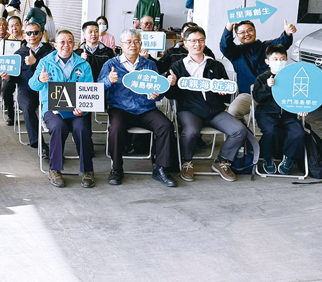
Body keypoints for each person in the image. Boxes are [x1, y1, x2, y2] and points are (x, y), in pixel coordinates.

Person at [165, 26, 249, 182]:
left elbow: (227, 94)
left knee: (239, 130)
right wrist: (171, 85)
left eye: (201, 40)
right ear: (185, 44)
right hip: (189, 110)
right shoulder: (177, 66)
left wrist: (224, 90)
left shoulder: (215, 65)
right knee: (190, 132)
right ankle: (187, 162)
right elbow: (171, 96)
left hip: (214, 111)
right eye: (193, 41)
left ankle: (222, 161)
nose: (197, 44)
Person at [97, 29, 178, 187]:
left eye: (136, 41)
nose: (132, 45)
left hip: (145, 109)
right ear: (121, 45)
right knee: (116, 128)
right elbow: (98, 89)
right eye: (128, 42)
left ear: (141, 44)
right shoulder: (111, 64)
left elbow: (159, 91)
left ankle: (161, 168)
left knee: (166, 126)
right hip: (120, 109)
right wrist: (108, 80)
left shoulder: (149, 64)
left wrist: (157, 95)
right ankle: (117, 168)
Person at [29, 30, 95, 189]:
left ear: (74, 44)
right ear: (55, 45)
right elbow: (32, 85)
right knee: (58, 127)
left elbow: (89, 91)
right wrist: (39, 79)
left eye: (70, 42)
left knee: (81, 128)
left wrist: (84, 109)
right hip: (53, 109)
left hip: (77, 110)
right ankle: (55, 169)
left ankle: (87, 170)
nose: (66, 45)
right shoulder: (45, 62)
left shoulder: (83, 64)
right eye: (62, 42)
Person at [220, 19, 295, 122]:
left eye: (250, 30)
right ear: (236, 36)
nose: (246, 34)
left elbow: (282, 43)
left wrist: (287, 33)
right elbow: (225, 46)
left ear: (255, 31)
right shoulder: (235, 53)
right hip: (248, 95)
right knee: (233, 112)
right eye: (242, 32)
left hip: (272, 95)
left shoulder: (267, 47)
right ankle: (244, 134)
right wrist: (229, 25)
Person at [253, 45, 306, 175]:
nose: (279, 62)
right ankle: (268, 157)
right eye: (275, 59)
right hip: (267, 114)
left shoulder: (292, 78)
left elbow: (300, 96)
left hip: (288, 115)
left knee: (298, 132)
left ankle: (288, 158)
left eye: (282, 59)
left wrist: (302, 108)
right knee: (271, 131)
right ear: (267, 62)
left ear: (287, 60)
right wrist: (268, 86)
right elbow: (257, 97)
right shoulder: (262, 78)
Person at [2, 22, 52, 156]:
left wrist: (34, 63)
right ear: (24, 35)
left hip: (47, 89)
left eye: (35, 32)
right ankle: (39, 144)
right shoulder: (19, 54)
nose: (32, 36)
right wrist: (8, 78)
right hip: (26, 90)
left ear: (41, 34)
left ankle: (58, 143)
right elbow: (16, 78)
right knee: (28, 106)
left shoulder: (50, 52)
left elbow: (53, 72)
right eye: (29, 33)